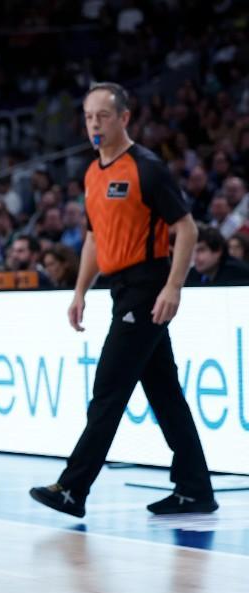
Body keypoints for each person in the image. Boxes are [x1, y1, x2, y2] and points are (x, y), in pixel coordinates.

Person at [31, 82, 217, 518]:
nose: (94, 124)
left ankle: (73, 488)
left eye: (103, 116)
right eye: (89, 117)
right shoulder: (93, 172)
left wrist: (173, 286)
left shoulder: (147, 168)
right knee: (165, 394)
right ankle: (195, 489)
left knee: (109, 391)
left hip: (147, 286)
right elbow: (95, 237)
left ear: (124, 119)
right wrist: (79, 291)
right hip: (119, 288)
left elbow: (186, 229)